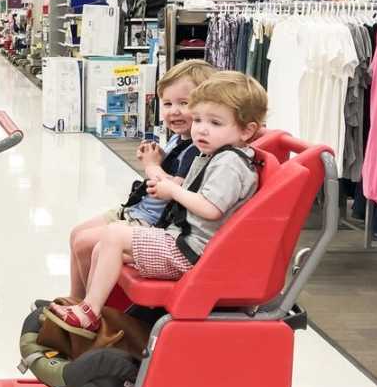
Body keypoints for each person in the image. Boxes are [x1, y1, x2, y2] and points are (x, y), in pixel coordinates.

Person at [48, 72, 268, 336]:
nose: (201, 128)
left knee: (114, 235)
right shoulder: (214, 154)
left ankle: (90, 313)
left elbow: (211, 209)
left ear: (247, 130)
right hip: (184, 243)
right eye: (198, 119)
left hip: (192, 252)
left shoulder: (229, 163)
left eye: (215, 122)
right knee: (102, 247)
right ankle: (94, 311)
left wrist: (173, 190)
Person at [67, 59, 216, 299]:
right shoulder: (178, 140)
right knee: (77, 233)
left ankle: (89, 306)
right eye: (167, 103)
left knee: (85, 243)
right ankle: (73, 299)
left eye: (184, 103)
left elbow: (169, 190)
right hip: (137, 210)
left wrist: (151, 165)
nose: (173, 111)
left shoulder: (196, 150)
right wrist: (155, 157)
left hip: (154, 221)